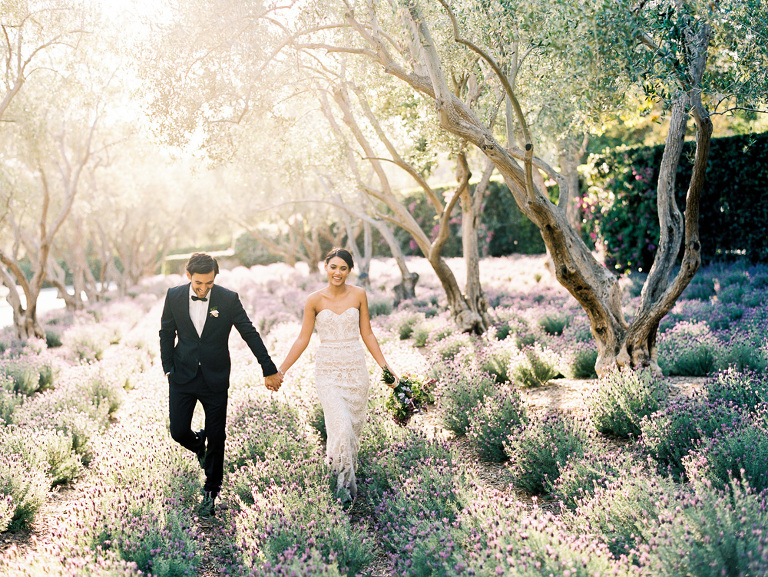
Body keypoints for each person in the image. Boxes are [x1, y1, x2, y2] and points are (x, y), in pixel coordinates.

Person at [159, 252, 283, 517]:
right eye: (198, 284)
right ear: (188, 275)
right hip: (182, 374)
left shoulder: (228, 299)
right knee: (178, 431)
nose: (203, 289)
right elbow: (166, 332)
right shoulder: (173, 295)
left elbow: (249, 332)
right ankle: (198, 446)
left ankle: (211, 491)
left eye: (209, 284)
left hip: (215, 377)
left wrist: (268, 368)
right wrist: (167, 368)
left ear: (215, 278)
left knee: (218, 436)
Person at [278, 248, 397, 505]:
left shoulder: (359, 295)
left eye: (343, 268)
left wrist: (385, 368)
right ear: (326, 267)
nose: (338, 272)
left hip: (356, 370)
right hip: (328, 372)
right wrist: (281, 370)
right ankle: (343, 494)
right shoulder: (314, 300)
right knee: (340, 428)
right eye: (333, 267)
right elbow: (302, 339)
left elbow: (368, 334)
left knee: (352, 431)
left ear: (349, 270)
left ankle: (343, 476)